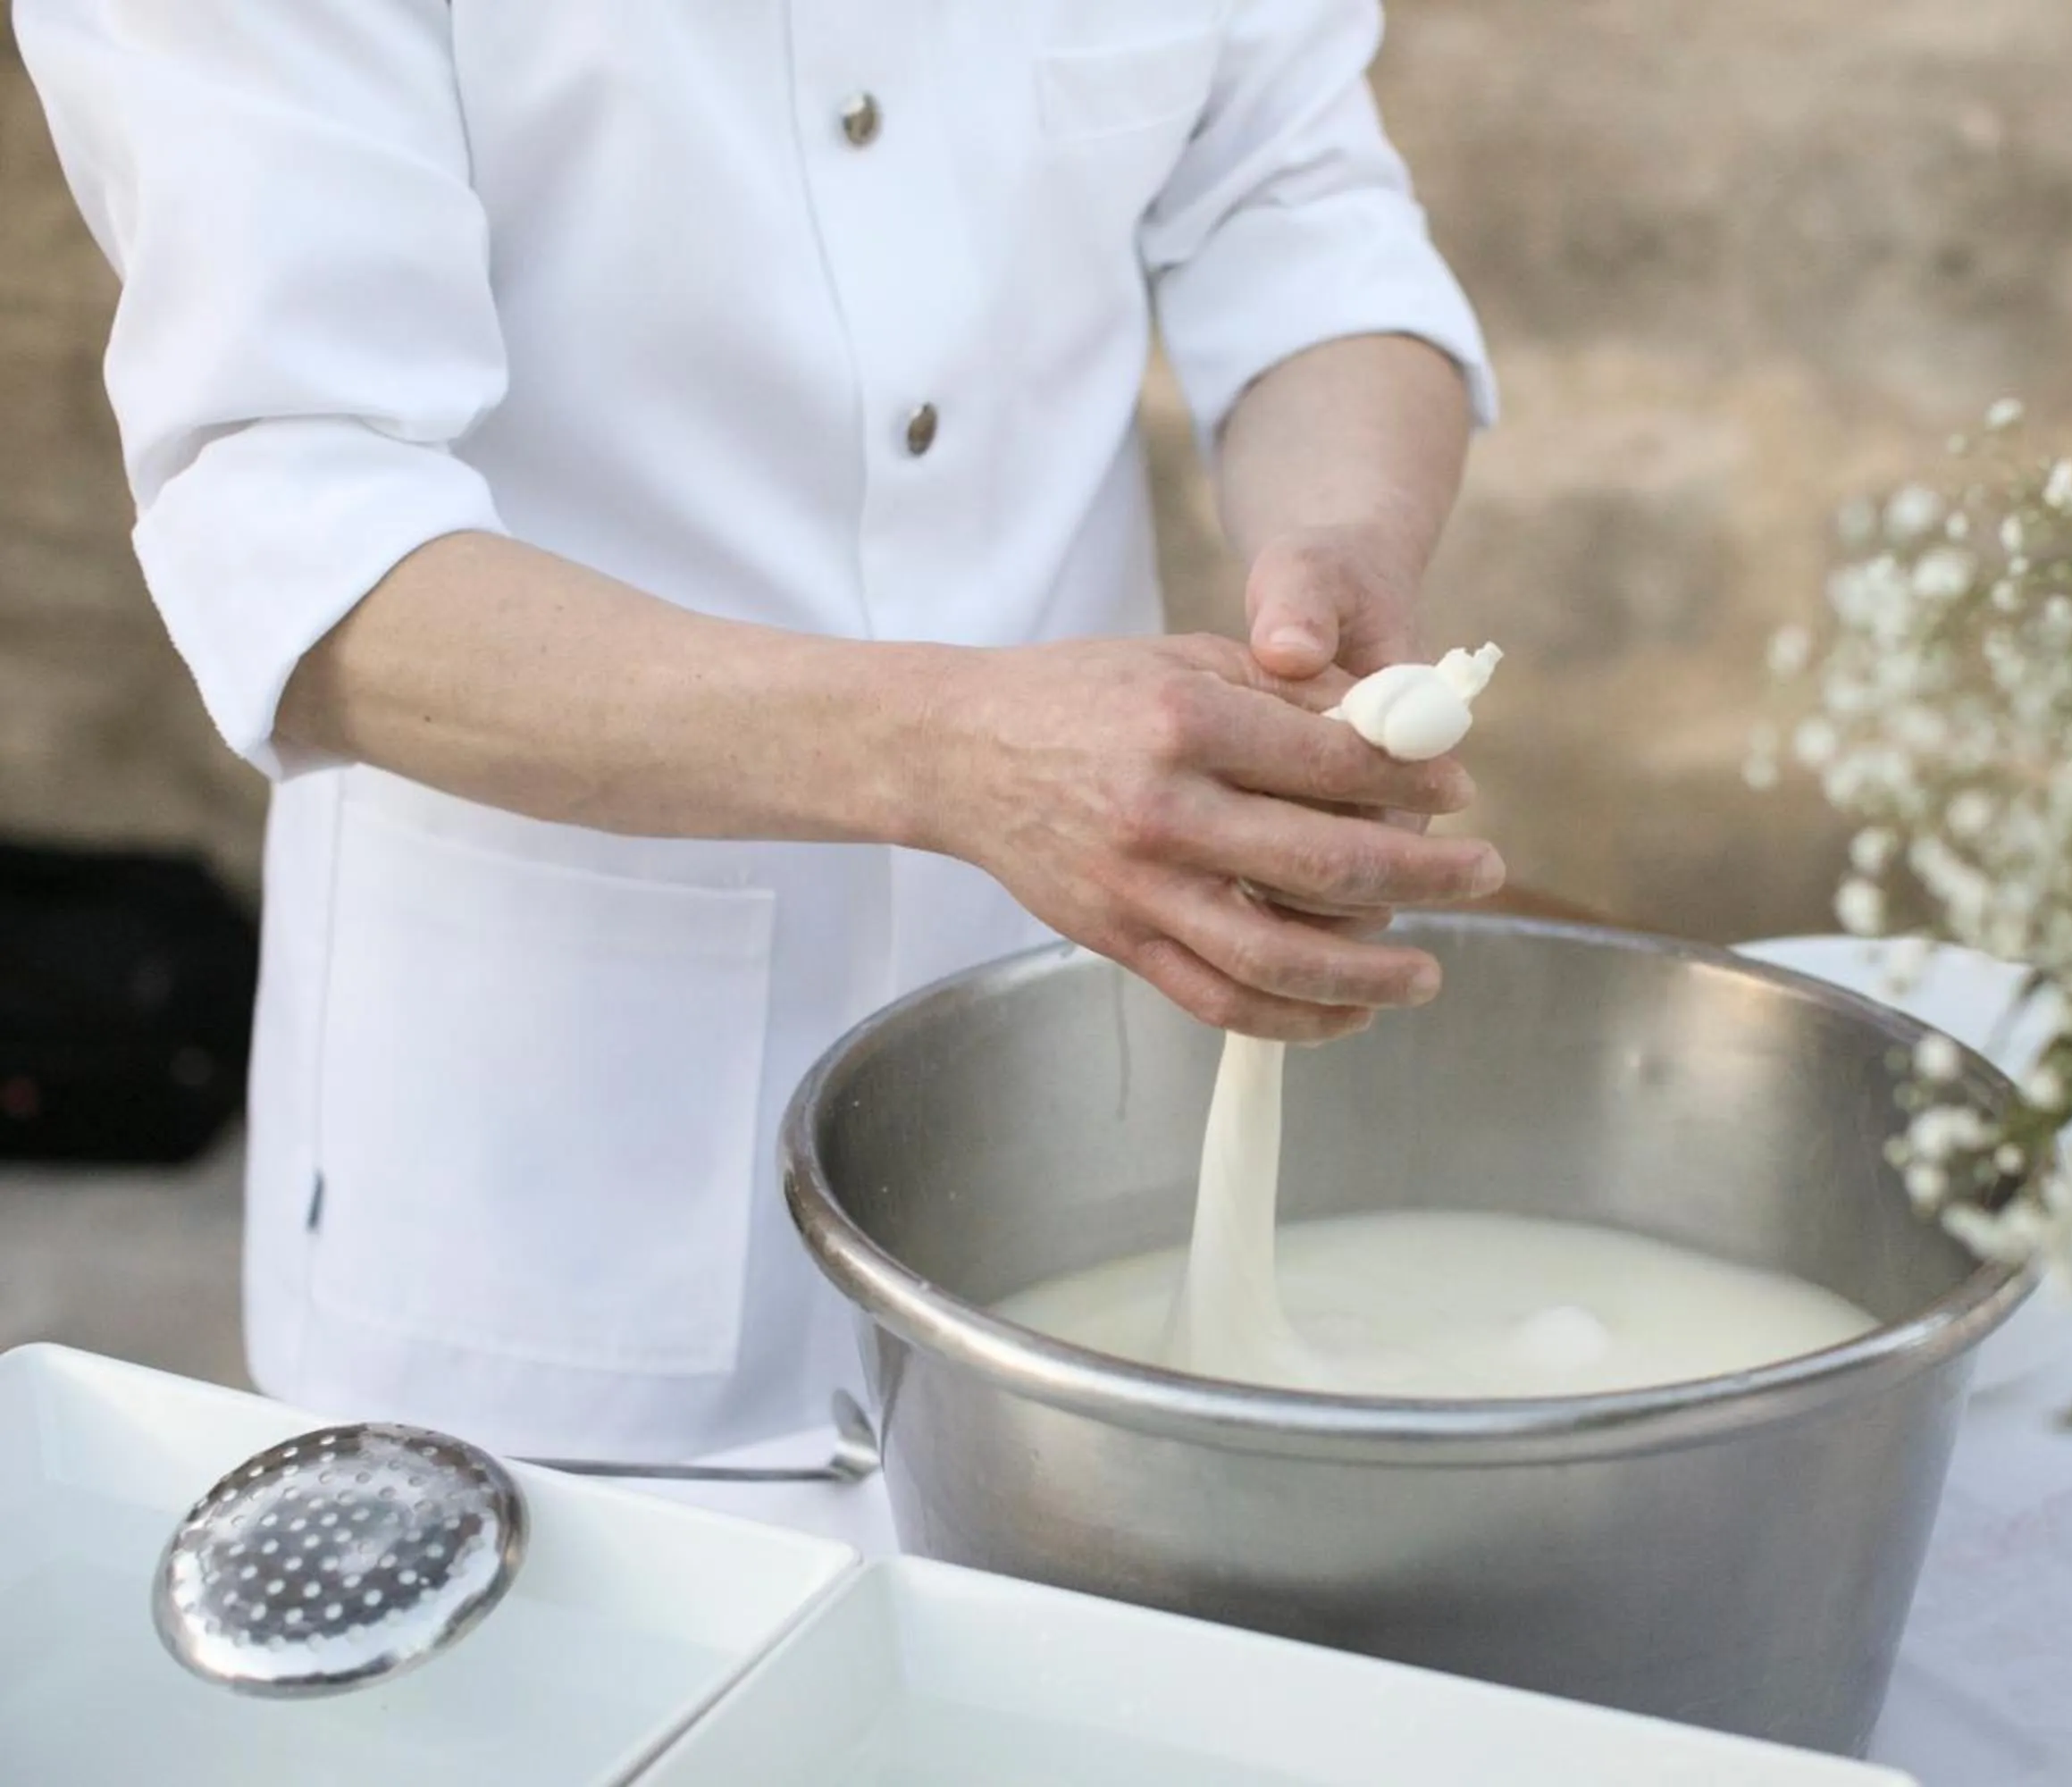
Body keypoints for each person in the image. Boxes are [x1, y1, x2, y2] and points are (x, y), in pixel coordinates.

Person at [15, 0, 1502, 1469]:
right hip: (556, 1184)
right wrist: (952, 752)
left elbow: (1301, 216)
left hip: (1063, 1100)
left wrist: (1344, 544)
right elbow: (302, 546)